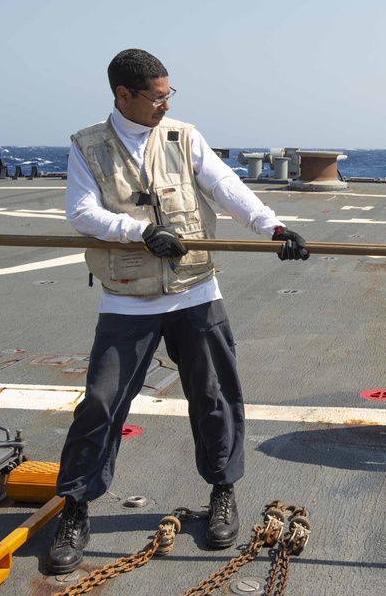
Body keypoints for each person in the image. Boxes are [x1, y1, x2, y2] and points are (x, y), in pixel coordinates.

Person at [45, 49, 310, 574]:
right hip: (127, 297)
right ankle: (75, 507)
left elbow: (224, 186)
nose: (165, 105)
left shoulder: (183, 136)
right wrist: (139, 231)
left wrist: (271, 228)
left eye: (170, 95)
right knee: (100, 402)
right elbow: (81, 211)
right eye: (156, 97)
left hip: (194, 291)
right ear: (123, 95)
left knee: (214, 396)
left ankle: (222, 490)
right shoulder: (88, 145)